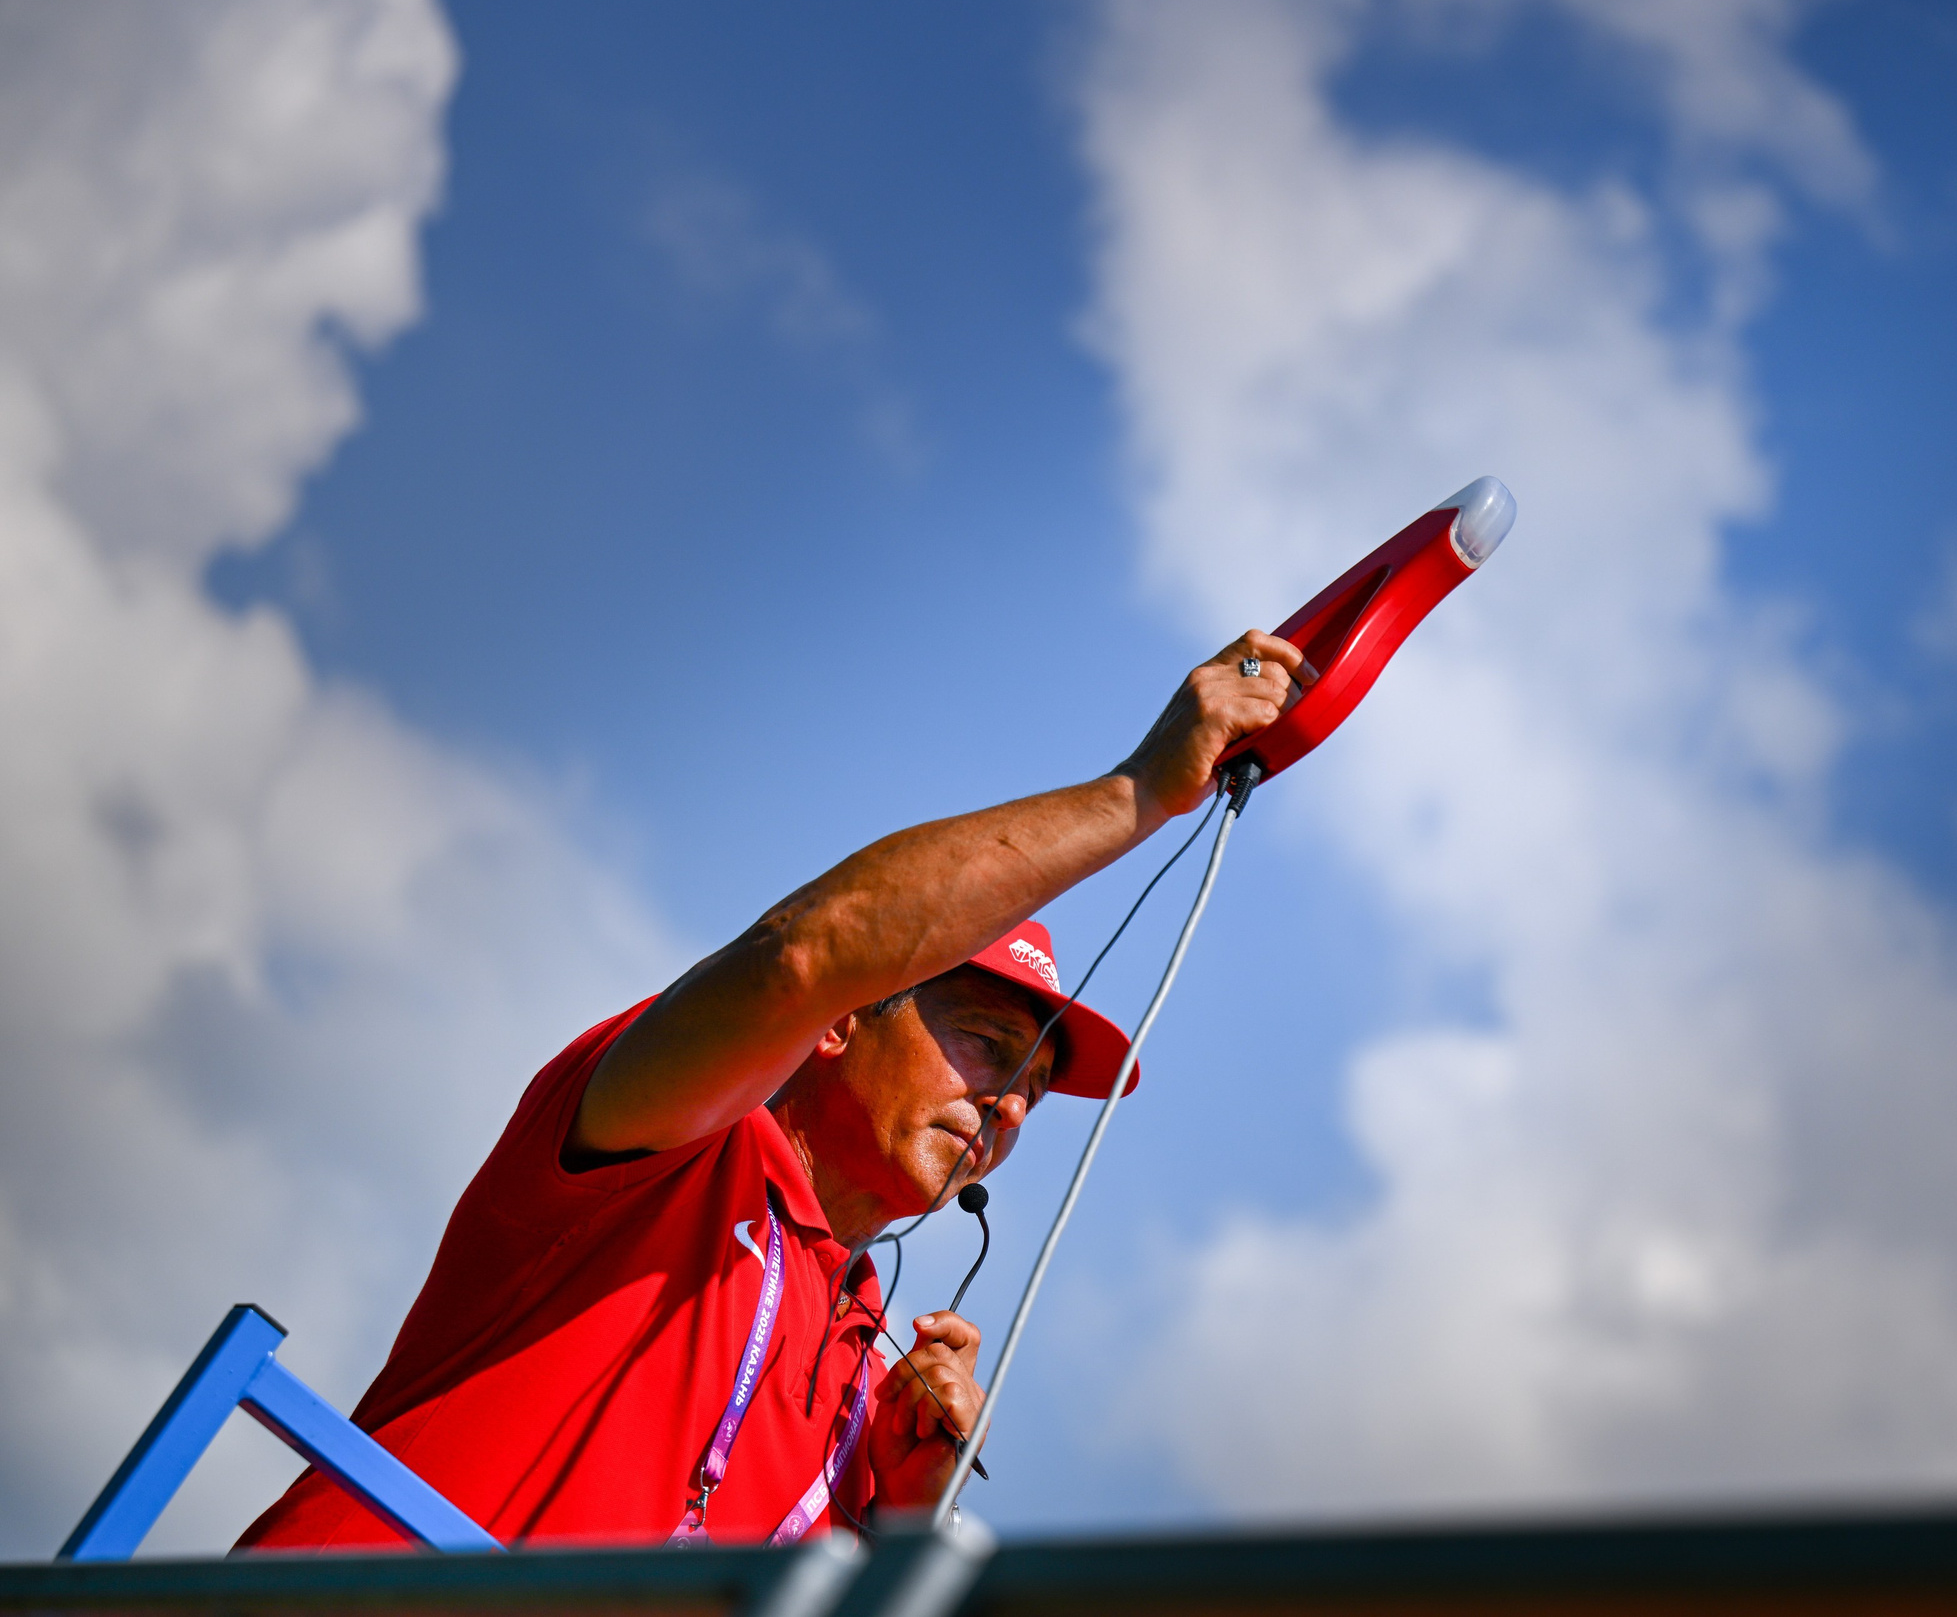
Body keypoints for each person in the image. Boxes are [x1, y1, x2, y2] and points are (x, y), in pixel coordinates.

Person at [236, 630, 1307, 1549]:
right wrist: (1135, 793)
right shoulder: (680, 1137)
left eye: (1036, 1083)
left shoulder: (876, 1369)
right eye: (986, 1044)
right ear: (842, 1021)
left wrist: (900, 1523)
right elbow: (807, 953)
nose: (1014, 1103)